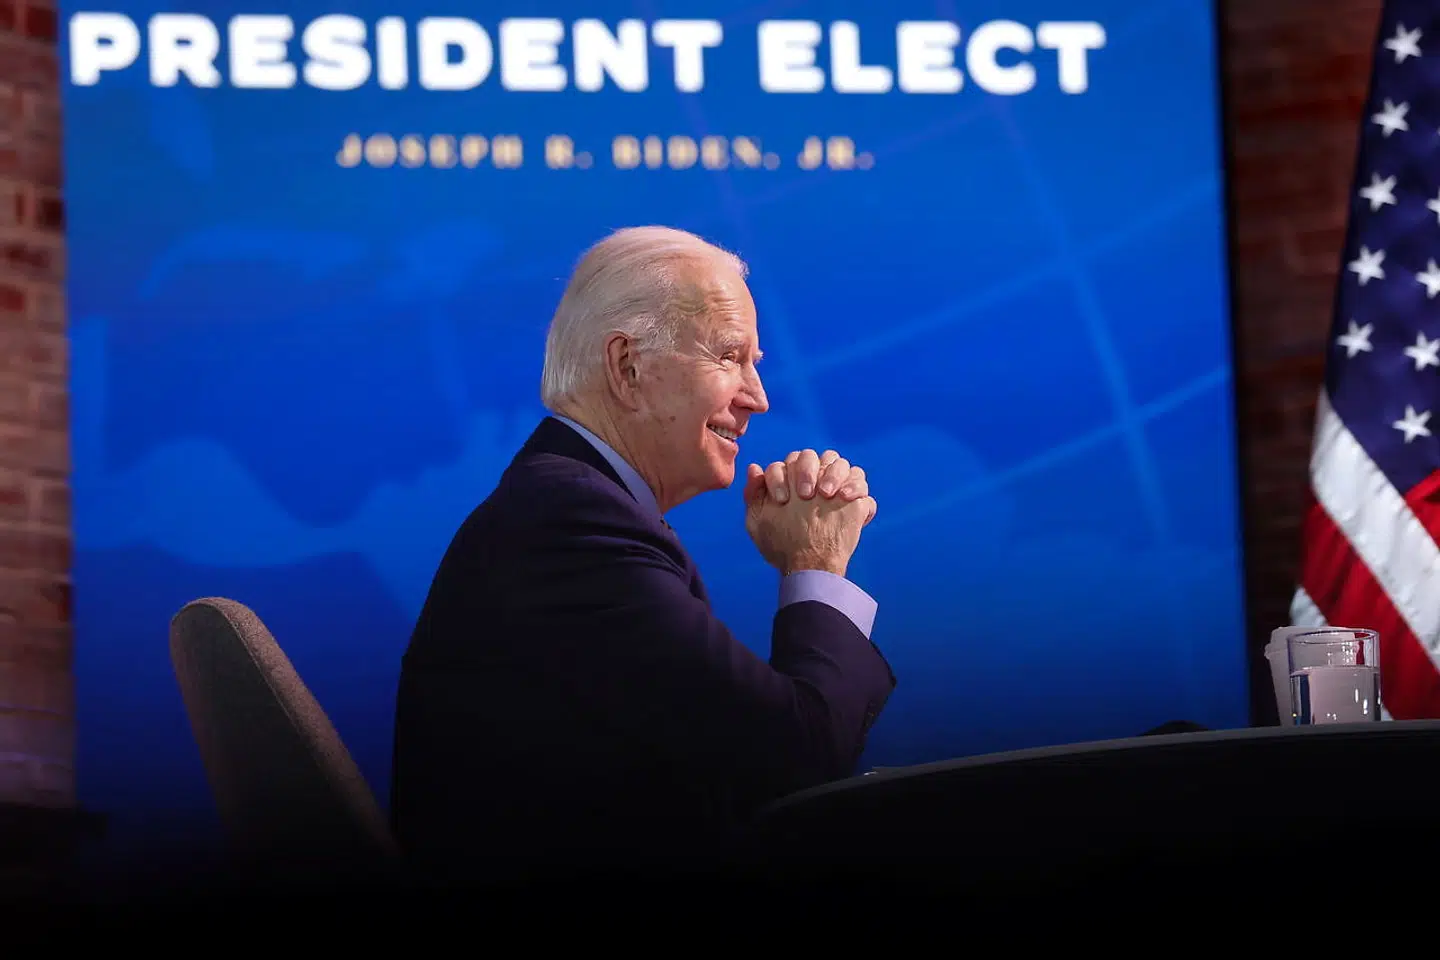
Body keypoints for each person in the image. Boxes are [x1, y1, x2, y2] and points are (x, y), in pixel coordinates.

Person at [389, 226, 895, 881]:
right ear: (628, 367)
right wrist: (816, 563)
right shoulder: (572, 524)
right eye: (730, 356)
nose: (758, 397)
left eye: (756, 362)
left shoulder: (569, 508)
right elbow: (796, 756)